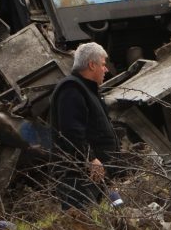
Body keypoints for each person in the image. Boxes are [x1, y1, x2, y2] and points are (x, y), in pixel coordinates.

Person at [49, 42, 120, 210]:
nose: (106, 69)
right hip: (79, 177)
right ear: (91, 64)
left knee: (103, 224)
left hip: (95, 176)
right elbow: (71, 131)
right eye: (103, 65)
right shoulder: (71, 89)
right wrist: (90, 159)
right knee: (81, 224)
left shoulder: (88, 90)